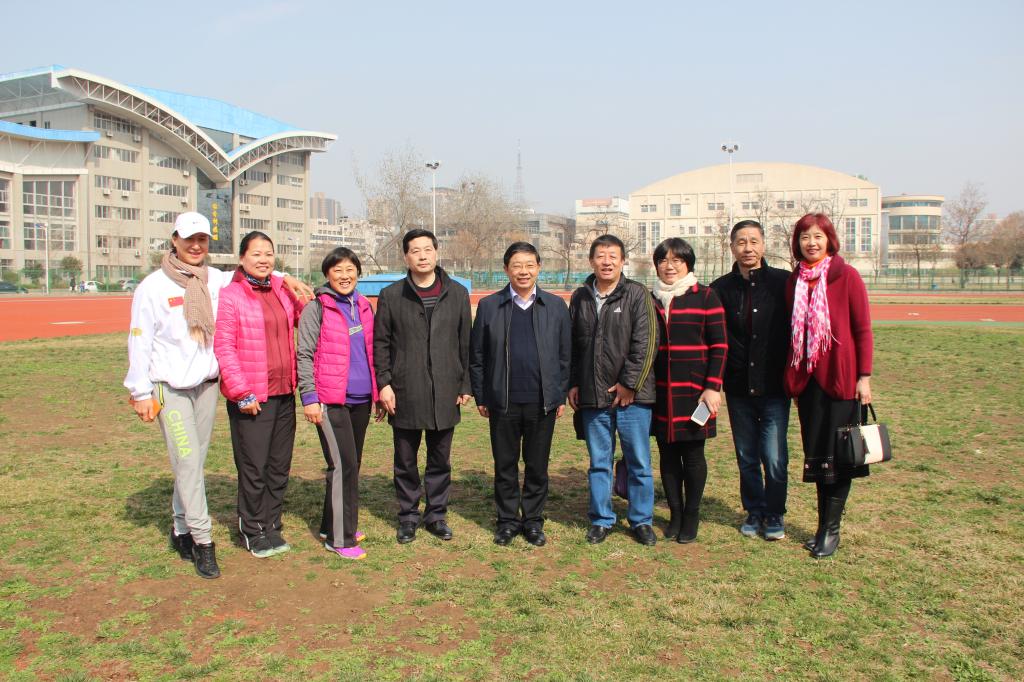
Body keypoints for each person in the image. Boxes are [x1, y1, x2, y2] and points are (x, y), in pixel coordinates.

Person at [125, 212, 310, 578]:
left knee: (191, 463)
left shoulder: (215, 279)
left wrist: (285, 276)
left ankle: (180, 527)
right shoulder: (153, 287)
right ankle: (203, 540)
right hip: (169, 387)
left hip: (207, 385)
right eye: (189, 239)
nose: (196, 246)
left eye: (202, 240)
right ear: (175, 240)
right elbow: (139, 340)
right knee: (189, 462)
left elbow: (258, 271)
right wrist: (140, 390)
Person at [373, 229, 472, 544]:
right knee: (405, 460)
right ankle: (408, 516)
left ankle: (436, 515)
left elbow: (465, 343)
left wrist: (465, 383)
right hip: (406, 389)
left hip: (445, 389)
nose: (422, 256)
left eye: (427, 249)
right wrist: (384, 384)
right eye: (415, 250)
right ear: (406, 257)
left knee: (440, 459)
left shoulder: (457, 293)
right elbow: (381, 344)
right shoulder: (391, 296)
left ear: (436, 252)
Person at [470, 242, 571, 547]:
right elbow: (477, 355)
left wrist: (559, 395)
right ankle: (507, 521)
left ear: (538, 267)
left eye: (529, 265)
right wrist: (481, 396)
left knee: (537, 466)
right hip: (503, 401)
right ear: (506, 269)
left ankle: (533, 521)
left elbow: (565, 356)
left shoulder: (555, 306)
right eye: (517, 265)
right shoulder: (490, 306)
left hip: (542, 402)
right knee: (505, 465)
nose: (523, 271)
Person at [784, 213, 873, 559]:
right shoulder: (795, 280)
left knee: (840, 456)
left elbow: (862, 330)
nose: (811, 243)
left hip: (840, 380)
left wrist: (864, 377)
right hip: (807, 383)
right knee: (819, 457)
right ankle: (822, 526)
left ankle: (831, 530)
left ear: (829, 240)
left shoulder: (846, 276)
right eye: (805, 236)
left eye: (818, 236)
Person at [214, 231, 304, 559]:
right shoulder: (231, 295)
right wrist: (241, 391)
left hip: (284, 392)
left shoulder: (281, 290)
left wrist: (291, 283)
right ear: (242, 258)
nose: (263, 259)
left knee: (279, 466)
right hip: (252, 397)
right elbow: (224, 346)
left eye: (269, 253)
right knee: (254, 467)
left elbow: (307, 315)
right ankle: (252, 529)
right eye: (256, 254)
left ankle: (272, 524)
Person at [568, 234, 659, 546]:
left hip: (632, 398)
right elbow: (574, 346)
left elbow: (646, 343)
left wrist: (629, 384)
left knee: (639, 462)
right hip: (593, 396)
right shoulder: (580, 297)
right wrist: (574, 383)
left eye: (613, 256)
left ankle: (641, 520)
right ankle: (601, 519)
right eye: (601, 256)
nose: (606, 262)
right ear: (591, 261)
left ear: (623, 261)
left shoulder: (636, 293)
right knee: (599, 462)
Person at [296, 247, 381, 560]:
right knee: (342, 465)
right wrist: (309, 397)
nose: (344, 276)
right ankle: (340, 539)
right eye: (337, 271)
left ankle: (332, 525)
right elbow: (304, 354)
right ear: (327, 275)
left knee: (351, 464)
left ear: (357, 272)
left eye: (349, 270)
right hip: (331, 401)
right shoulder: (316, 308)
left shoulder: (364, 305)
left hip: (361, 399)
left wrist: (376, 394)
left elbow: (371, 352)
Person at [711, 220, 792, 541]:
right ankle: (754, 510)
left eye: (754, 241)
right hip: (738, 386)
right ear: (732, 247)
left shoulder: (783, 283)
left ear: (763, 245)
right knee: (746, 455)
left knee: (773, 455)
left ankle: (775, 513)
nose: (748, 248)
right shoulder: (720, 288)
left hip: (775, 386)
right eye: (741, 242)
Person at [650, 238, 727, 543]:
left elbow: (720, 345)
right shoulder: (650, 298)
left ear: (688, 264)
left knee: (693, 455)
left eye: (677, 260)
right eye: (663, 260)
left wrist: (713, 387)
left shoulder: (706, 296)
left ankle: (692, 514)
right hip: (659, 390)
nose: (669, 266)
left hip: (694, 390)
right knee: (667, 454)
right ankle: (676, 514)